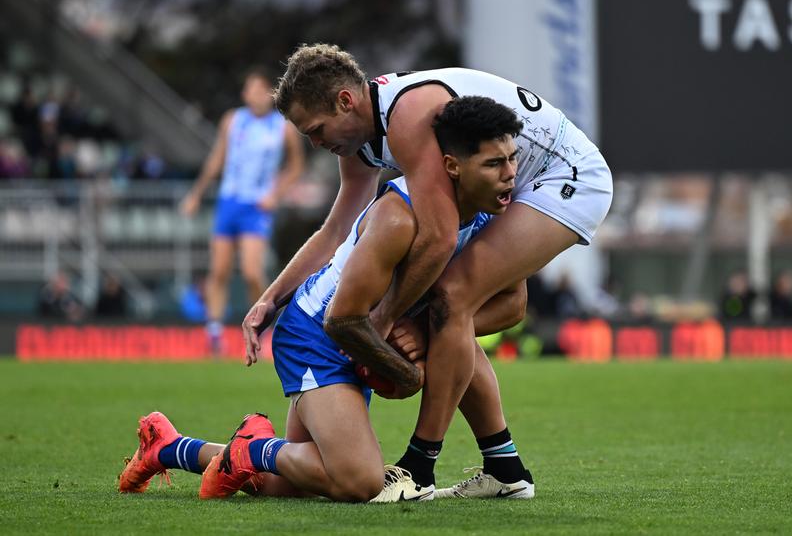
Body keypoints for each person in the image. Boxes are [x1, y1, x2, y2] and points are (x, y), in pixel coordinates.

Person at [240, 44, 613, 499]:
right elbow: (336, 229)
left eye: (316, 130)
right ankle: (504, 466)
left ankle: (419, 466)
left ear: (345, 101)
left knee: (451, 301)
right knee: (450, 313)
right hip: (512, 177)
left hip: (565, 177)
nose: (315, 143)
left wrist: (384, 322)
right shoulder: (362, 135)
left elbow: (437, 240)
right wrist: (270, 298)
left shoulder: (406, 116)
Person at [119, 97, 530, 502]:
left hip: (362, 333)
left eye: (512, 159)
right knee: (359, 482)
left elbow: (514, 304)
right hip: (318, 335)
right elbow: (342, 320)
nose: (511, 175)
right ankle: (249, 448)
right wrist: (408, 373)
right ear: (453, 167)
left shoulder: (490, 210)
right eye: (494, 164)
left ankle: (168, 447)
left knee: (289, 482)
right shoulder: (399, 215)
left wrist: (425, 331)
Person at [180, 67, 304, 353]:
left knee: (251, 271)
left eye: (262, 91)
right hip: (229, 201)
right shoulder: (233, 120)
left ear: (270, 95)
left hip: (256, 206)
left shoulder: (282, 126)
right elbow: (218, 158)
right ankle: (213, 334)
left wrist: (276, 195)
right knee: (219, 270)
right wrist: (196, 193)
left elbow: (296, 167)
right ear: (245, 94)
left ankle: (261, 326)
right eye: (251, 90)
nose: (256, 96)